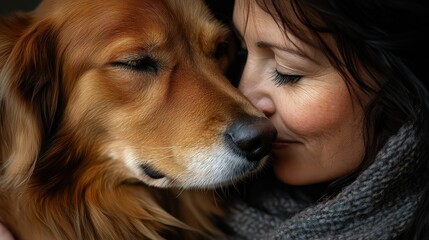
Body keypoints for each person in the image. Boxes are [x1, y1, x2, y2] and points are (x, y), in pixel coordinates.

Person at [224, 0, 429, 239]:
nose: (243, 98)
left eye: (287, 72)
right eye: (242, 53)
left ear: (398, 77)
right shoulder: (201, 213)